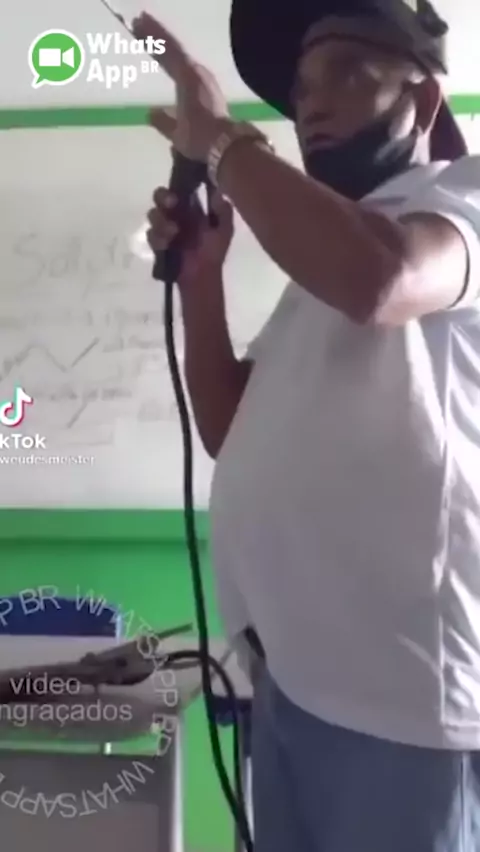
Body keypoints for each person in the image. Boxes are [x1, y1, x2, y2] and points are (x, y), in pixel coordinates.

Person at [133, 0, 480, 849]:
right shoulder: (320, 273)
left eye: (345, 74)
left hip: (400, 709)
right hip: (290, 687)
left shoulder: (457, 204)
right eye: (300, 88)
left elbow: (381, 278)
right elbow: (228, 428)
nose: (311, 104)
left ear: (424, 101)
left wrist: (222, 141)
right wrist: (202, 280)